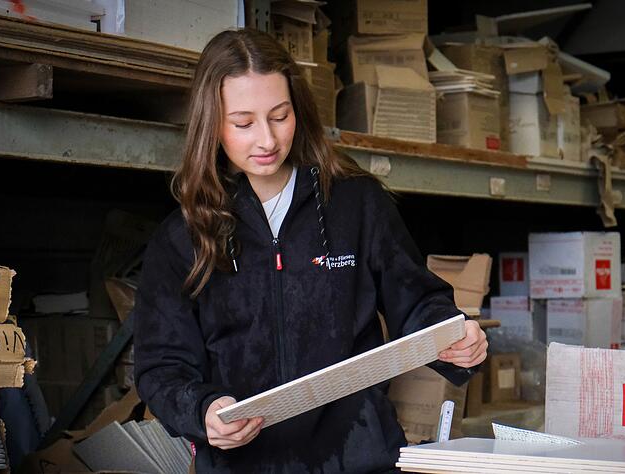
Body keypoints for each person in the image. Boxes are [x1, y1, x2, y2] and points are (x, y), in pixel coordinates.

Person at [133, 28, 488, 473]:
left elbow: (417, 302)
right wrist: (202, 412)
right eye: (243, 123)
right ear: (212, 123)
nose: (266, 139)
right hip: (245, 465)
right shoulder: (182, 237)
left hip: (360, 459)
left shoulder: (357, 204)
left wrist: (453, 336)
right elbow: (160, 367)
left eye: (279, 116)